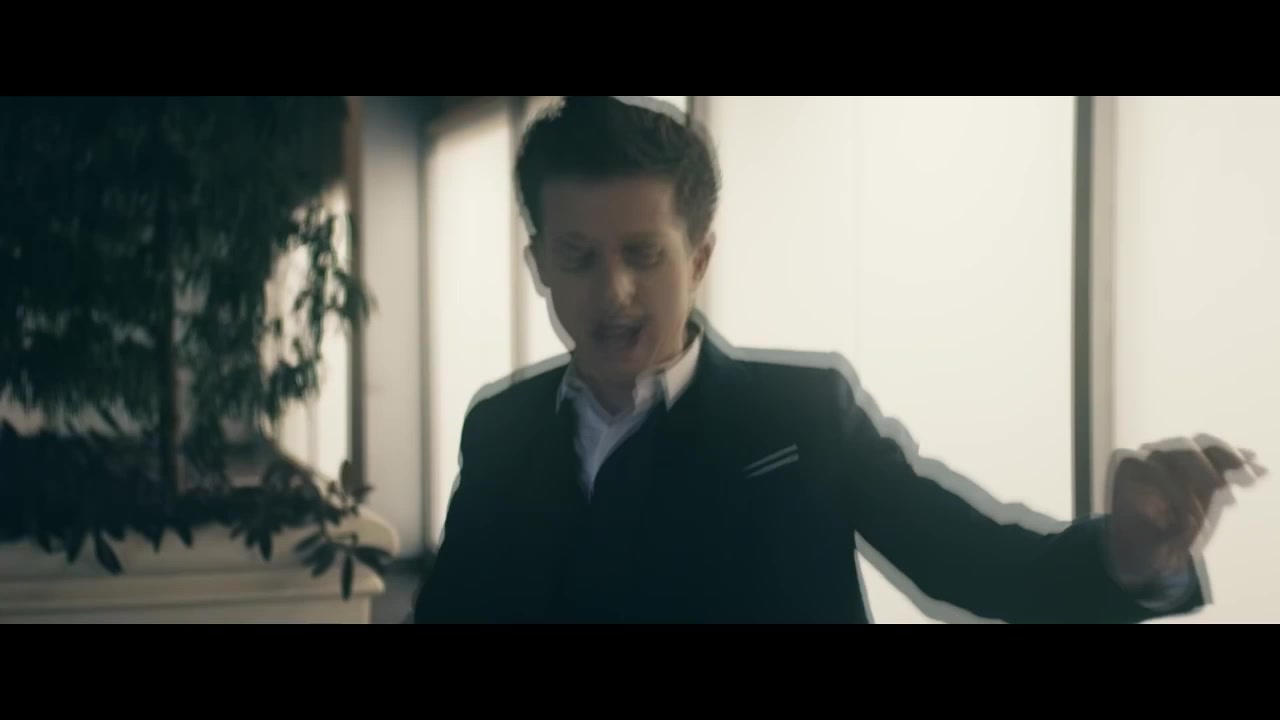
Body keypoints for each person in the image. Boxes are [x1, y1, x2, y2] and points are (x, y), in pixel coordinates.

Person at [412, 95, 1264, 624]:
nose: (615, 293)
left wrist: (1131, 557)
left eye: (644, 254)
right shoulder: (500, 429)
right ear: (538, 266)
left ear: (699, 258)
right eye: (578, 258)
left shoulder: (801, 416)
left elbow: (975, 562)